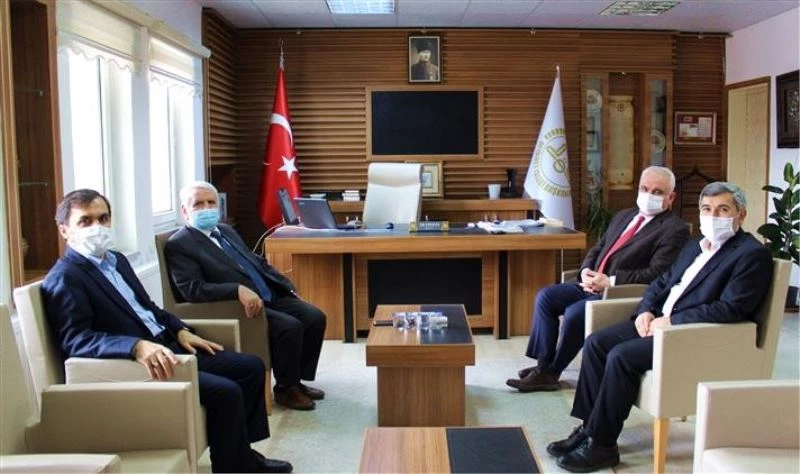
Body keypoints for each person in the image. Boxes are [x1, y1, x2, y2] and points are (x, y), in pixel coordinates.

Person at [41, 189, 292, 473]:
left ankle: (242, 454)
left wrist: (180, 329)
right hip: (140, 363)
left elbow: (148, 307)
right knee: (226, 391)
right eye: (85, 221)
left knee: (251, 367)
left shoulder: (117, 261)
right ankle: (234, 467)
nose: (97, 227)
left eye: (103, 218)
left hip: (169, 343)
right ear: (64, 230)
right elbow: (76, 340)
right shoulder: (66, 277)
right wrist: (135, 347)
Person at [548, 182, 773, 472]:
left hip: (689, 335)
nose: (713, 216)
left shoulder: (751, 254)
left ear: (740, 215)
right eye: (707, 209)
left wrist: (672, 321)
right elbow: (661, 283)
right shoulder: (694, 245)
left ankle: (602, 446)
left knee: (621, 356)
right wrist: (646, 310)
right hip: (658, 321)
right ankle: (588, 429)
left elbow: (732, 308)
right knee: (596, 343)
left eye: (723, 209)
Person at [507, 166, 689, 392]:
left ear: (671, 197)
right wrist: (585, 270)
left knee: (575, 313)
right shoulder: (624, 215)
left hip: (618, 292)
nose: (648, 195)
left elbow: (657, 273)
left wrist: (610, 281)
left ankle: (552, 372)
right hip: (590, 283)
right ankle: (544, 366)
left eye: (657, 192)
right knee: (546, 297)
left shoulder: (675, 229)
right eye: (644, 188)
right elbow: (598, 248)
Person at [164, 181, 327, 411]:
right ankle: (285, 389)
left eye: (211, 202)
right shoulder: (180, 244)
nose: (206, 208)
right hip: (236, 306)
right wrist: (235, 289)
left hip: (266, 295)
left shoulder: (226, 231)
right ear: (184, 210)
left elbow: (256, 262)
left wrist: (287, 287)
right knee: (289, 327)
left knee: (314, 317)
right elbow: (192, 289)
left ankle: (296, 380)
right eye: (198, 204)